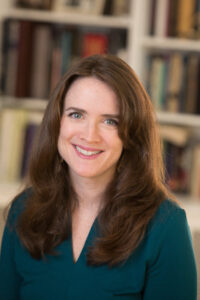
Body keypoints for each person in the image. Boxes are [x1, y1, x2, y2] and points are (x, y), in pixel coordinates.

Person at [0, 54, 197, 300]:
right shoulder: (23, 210)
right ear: (57, 122)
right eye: (76, 115)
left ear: (131, 134)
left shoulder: (166, 227)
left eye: (109, 121)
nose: (90, 135)